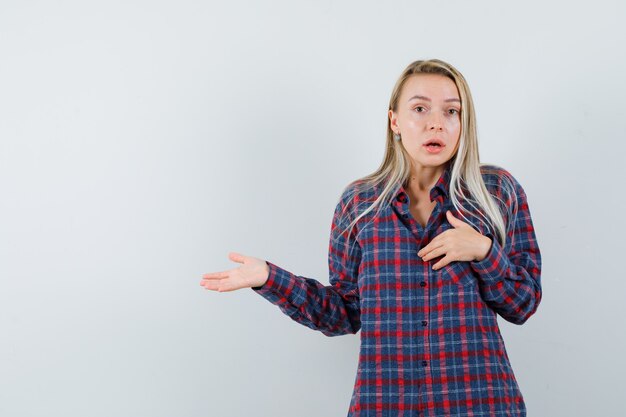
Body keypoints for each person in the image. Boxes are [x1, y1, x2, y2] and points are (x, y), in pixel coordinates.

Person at [200, 59, 542, 417]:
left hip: (478, 405)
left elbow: (524, 303)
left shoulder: (497, 191)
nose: (436, 122)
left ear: (463, 121)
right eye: (420, 108)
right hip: (385, 405)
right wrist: (270, 278)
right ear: (394, 120)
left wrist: (484, 251)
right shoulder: (359, 203)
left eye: (451, 111)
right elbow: (345, 313)